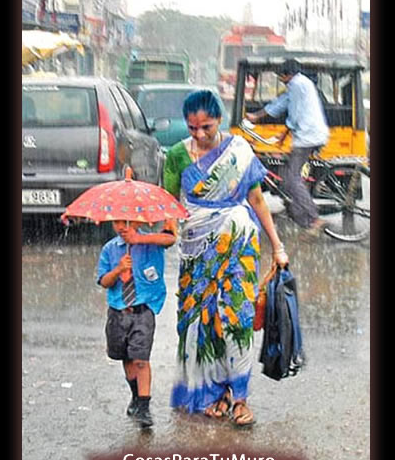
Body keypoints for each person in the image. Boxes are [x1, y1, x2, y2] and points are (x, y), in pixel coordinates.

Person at [163, 89, 289, 427]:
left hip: (240, 246)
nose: (200, 135)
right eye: (192, 128)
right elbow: (169, 205)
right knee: (202, 322)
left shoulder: (239, 150)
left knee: (238, 318)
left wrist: (277, 246)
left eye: (206, 126)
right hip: (196, 250)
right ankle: (212, 392)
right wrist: (165, 230)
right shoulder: (176, 156)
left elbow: (258, 202)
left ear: (219, 120)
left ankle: (240, 398)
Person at [97, 219, 176, 428]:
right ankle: (135, 395)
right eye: (117, 222)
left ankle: (144, 406)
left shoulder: (150, 243)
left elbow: (170, 239)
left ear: (138, 221)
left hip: (143, 311)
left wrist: (138, 238)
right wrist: (118, 270)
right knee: (126, 358)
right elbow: (104, 281)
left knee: (141, 359)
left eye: (127, 222)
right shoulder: (110, 249)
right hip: (118, 311)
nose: (122, 226)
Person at [247, 58, 329, 236]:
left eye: (280, 76)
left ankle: (314, 217)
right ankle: (300, 217)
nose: (280, 79)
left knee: (292, 179)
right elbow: (281, 103)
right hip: (310, 134)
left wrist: (284, 134)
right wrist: (256, 116)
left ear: (287, 74)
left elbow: (295, 113)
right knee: (285, 176)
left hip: (307, 137)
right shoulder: (298, 83)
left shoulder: (298, 85)